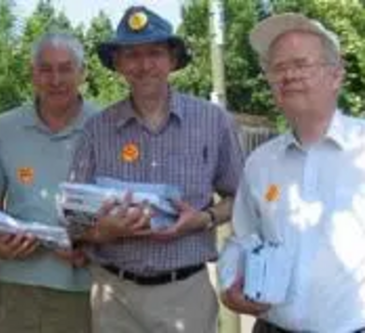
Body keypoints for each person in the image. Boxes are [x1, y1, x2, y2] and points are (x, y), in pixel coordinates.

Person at [68, 6, 244, 333]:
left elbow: (241, 197)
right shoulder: (96, 129)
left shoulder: (213, 121)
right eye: (132, 55)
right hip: (113, 297)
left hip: (186, 296)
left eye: (155, 52)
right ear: (118, 64)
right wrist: (103, 231)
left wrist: (203, 219)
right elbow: (73, 218)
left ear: (173, 60)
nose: (144, 65)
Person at [221, 13, 365, 332]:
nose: (289, 76)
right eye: (278, 68)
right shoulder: (260, 163)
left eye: (301, 64)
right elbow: (242, 239)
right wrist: (230, 286)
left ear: (336, 75)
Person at [0, 32, 96, 333]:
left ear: (82, 73)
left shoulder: (105, 125)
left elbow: (121, 205)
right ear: (33, 74)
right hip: (16, 287)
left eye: (65, 68)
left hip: (85, 287)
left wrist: (95, 248)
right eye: (45, 69)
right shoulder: (5, 127)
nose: (55, 79)